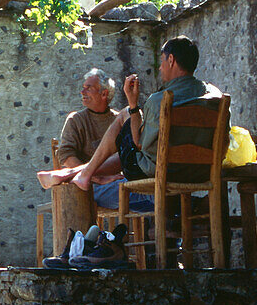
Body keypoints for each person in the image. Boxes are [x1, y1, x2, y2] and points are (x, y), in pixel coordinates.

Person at [38, 36, 224, 211]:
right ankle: (81, 174)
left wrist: (133, 105)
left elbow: (140, 144)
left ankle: (79, 174)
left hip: (163, 171)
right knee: (128, 122)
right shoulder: (216, 97)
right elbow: (224, 143)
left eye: (161, 62)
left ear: (171, 60)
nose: (159, 68)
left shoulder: (160, 100)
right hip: (201, 172)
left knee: (125, 118)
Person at [57, 69, 119, 168]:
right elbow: (65, 154)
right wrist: (91, 176)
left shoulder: (119, 120)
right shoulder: (76, 120)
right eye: (83, 88)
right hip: (86, 181)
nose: (82, 92)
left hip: (116, 179)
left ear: (104, 94)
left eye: (88, 88)